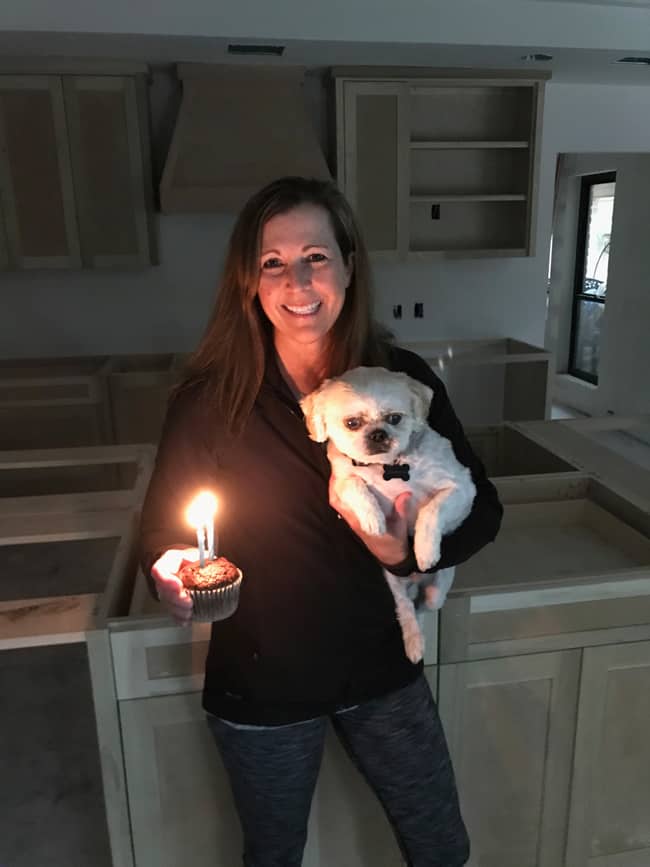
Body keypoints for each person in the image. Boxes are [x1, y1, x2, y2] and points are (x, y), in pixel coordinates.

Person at [139, 176, 503, 867]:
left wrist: (408, 551)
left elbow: (484, 507)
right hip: (262, 679)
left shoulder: (400, 382)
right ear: (249, 280)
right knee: (273, 856)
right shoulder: (208, 403)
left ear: (348, 265)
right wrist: (169, 571)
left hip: (382, 667)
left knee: (441, 847)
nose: (298, 280)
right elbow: (164, 532)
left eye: (316, 255)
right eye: (273, 261)